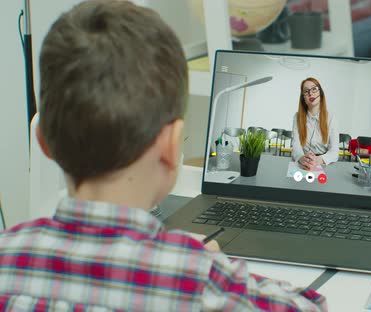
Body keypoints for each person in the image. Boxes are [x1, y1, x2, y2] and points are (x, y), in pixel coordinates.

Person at [0, 1, 326, 311]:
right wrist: (212, 265)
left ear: (43, 141)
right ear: (171, 147)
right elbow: (310, 306)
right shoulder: (197, 278)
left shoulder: (6, 257)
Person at [292, 78, 339, 170]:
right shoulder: (297, 117)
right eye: (306, 91)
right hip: (303, 162)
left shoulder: (331, 118)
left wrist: (317, 160)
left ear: (320, 93)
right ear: (303, 98)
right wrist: (302, 158)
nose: (310, 93)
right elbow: (296, 147)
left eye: (314, 89)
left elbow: (334, 152)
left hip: (323, 163)